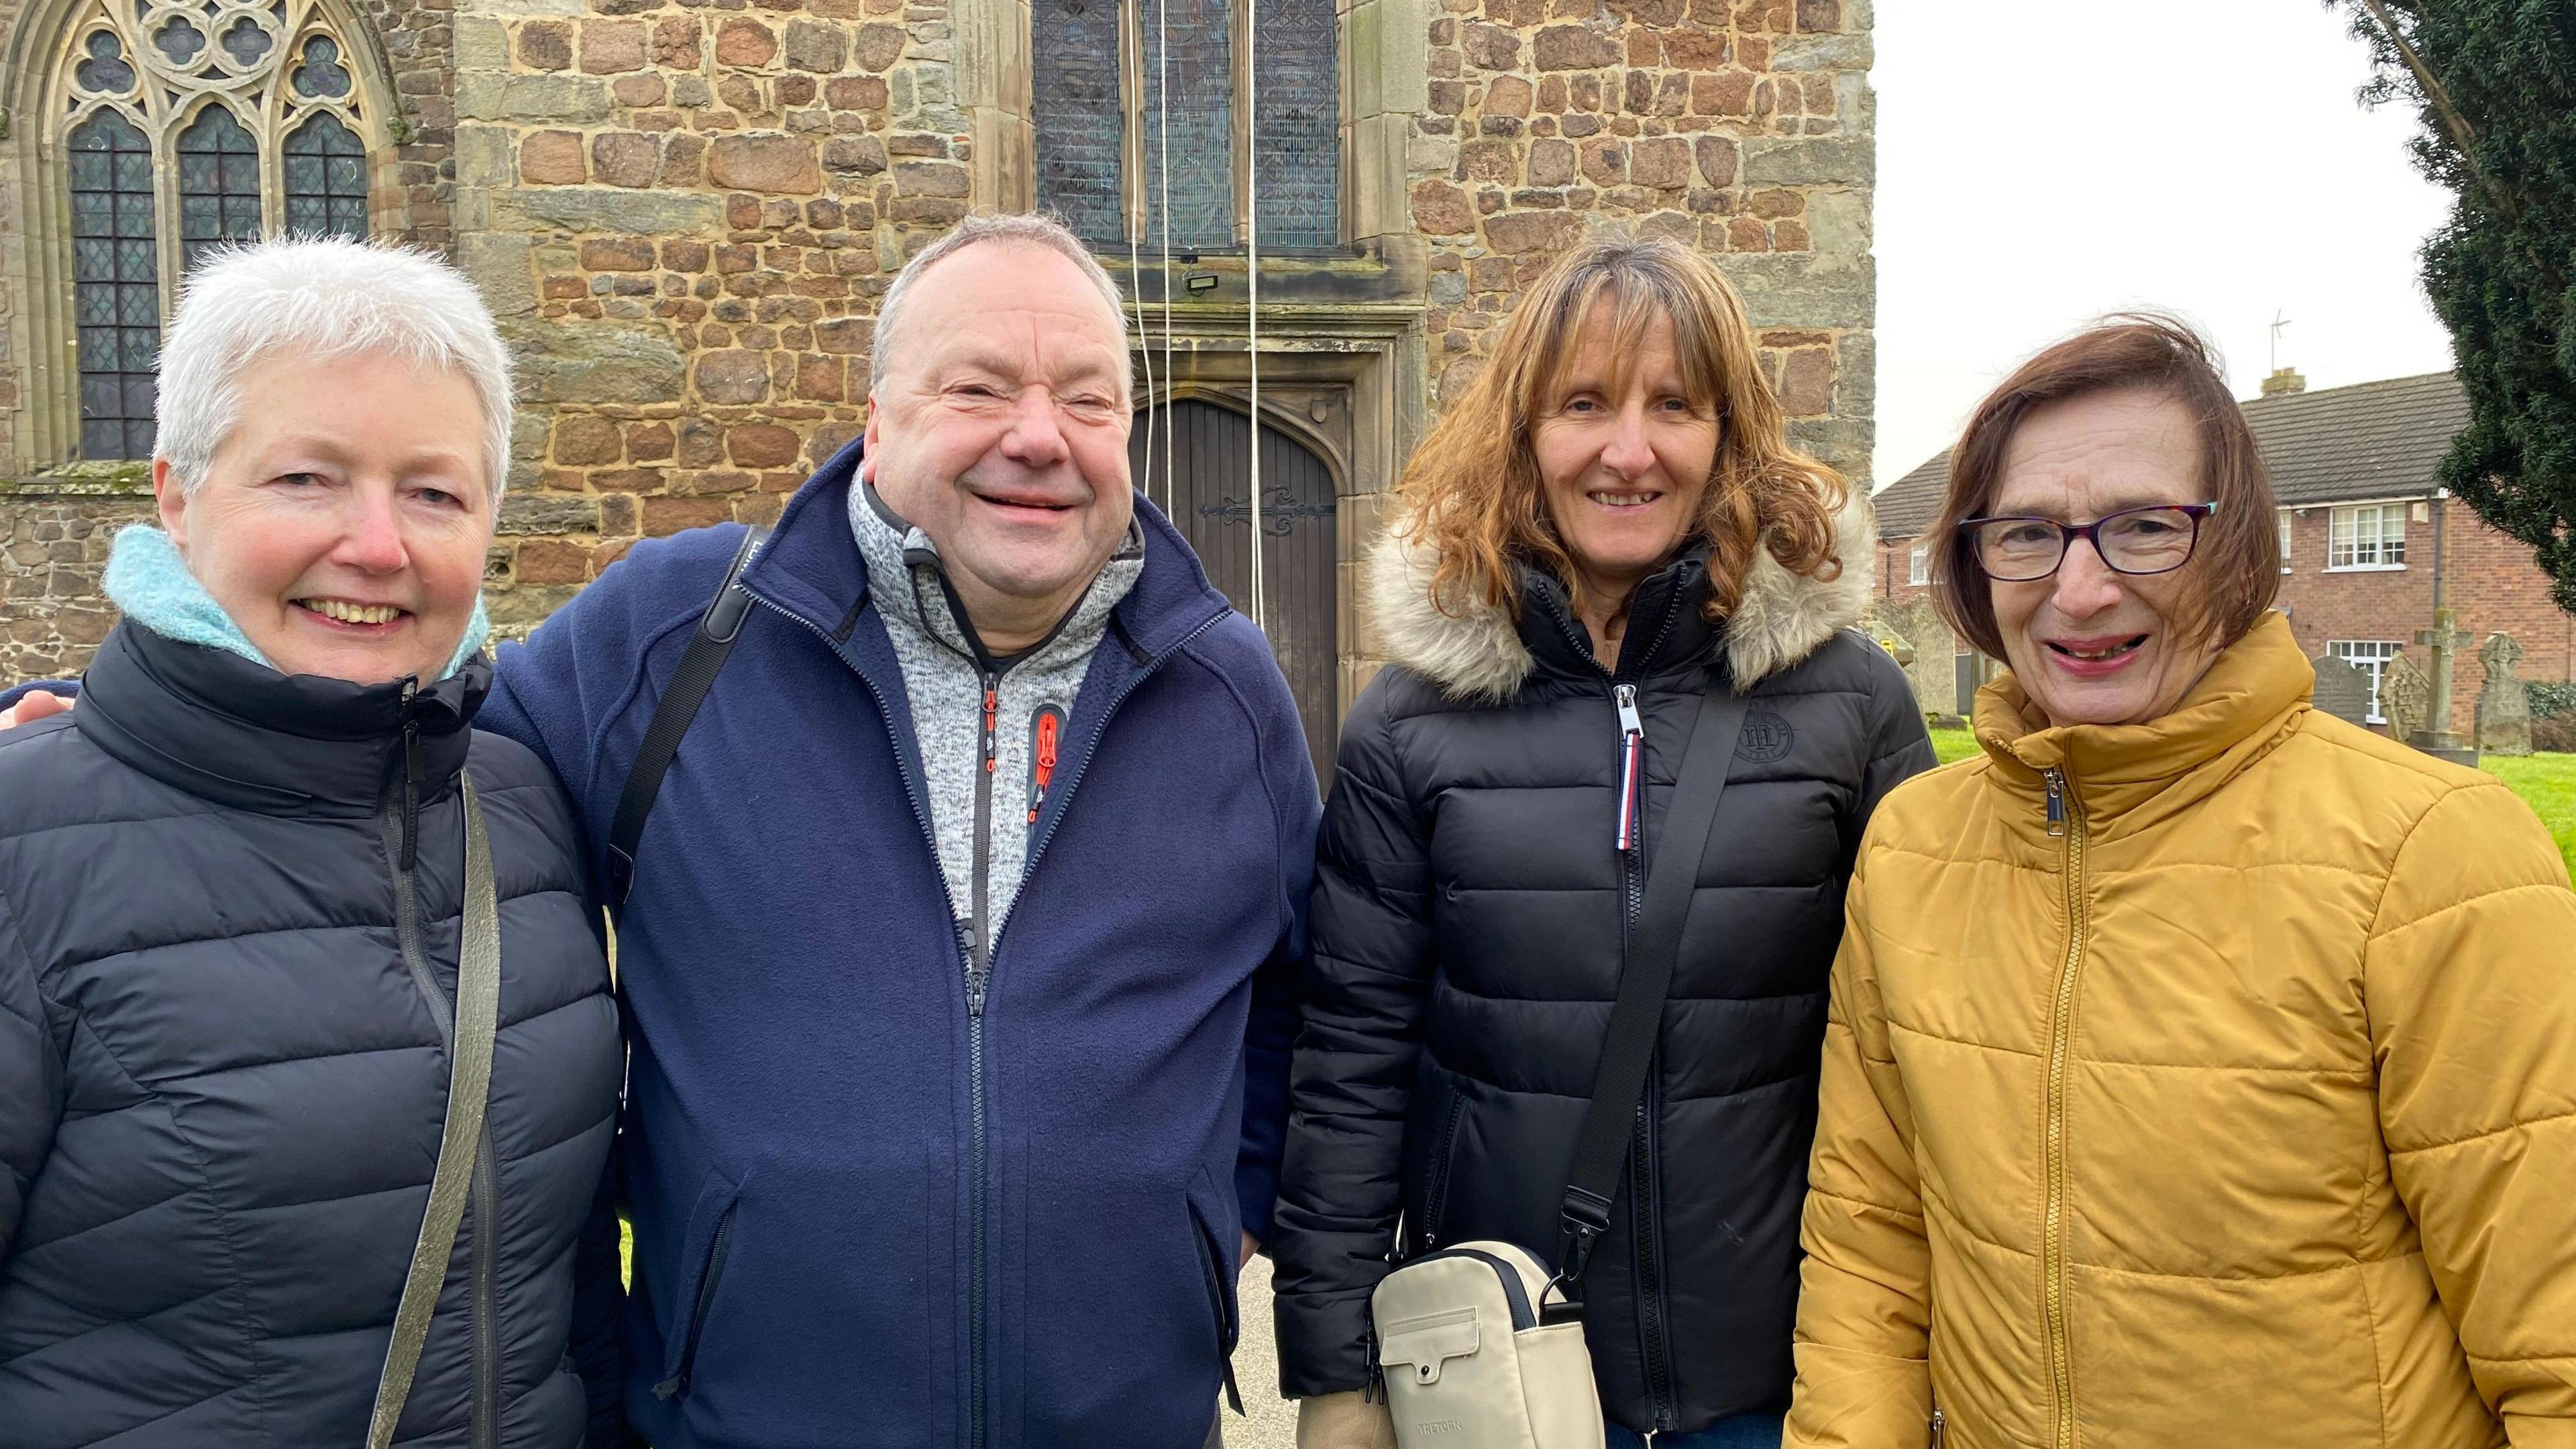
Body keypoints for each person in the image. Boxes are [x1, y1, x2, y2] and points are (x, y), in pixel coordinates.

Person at [474, 213, 1309, 1446]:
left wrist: (1214, 1212)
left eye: (1088, 400)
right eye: (978, 388)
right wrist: (135, 714)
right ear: (879, 421)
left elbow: (1299, 996)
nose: (1039, 436)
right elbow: (412, 769)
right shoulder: (677, 640)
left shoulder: (1226, 689)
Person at [1785, 318, 2576, 1448]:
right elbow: (1872, 1247)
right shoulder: (1914, 846)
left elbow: (2557, 1342)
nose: (2083, 589)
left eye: (2146, 527)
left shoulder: (2436, 854)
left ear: (2240, 547)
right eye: (2027, 535)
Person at [1271, 237, 1935, 1449]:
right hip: (1505, 1381)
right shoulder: (1415, 721)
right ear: (1523, 432)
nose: (1628, 451)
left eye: (1672, 406)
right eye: (1584, 404)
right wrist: (1336, 1375)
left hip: (1782, 1387)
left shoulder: (1850, 704)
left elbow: (1925, 1053)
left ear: (1727, 433)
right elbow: (1351, 1063)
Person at [0, 239, 623, 1447]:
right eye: (306, 479)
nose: (378, 546)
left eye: (434, 492)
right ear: (177, 497)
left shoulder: (520, 805)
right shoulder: (23, 851)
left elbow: (560, 1290)